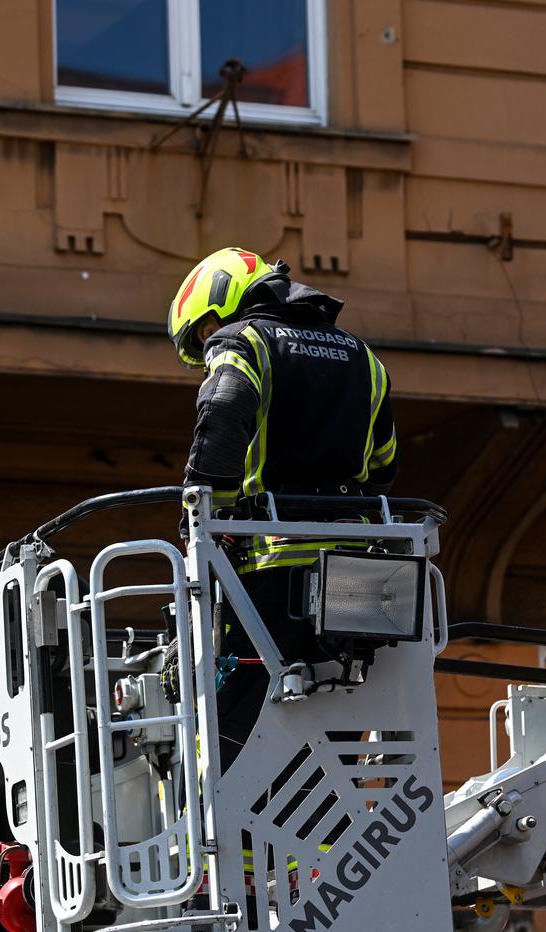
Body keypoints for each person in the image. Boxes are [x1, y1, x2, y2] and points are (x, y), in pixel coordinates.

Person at [167, 246, 397, 769]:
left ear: (222, 301)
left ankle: (239, 852)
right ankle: (321, 847)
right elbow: (383, 464)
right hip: (358, 579)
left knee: (237, 743)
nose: (206, 343)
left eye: (204, 330)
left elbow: (222, 413)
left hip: (271, 571)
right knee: (331, 737)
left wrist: (201, 521)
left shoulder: (241, 340)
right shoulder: (364, 357)